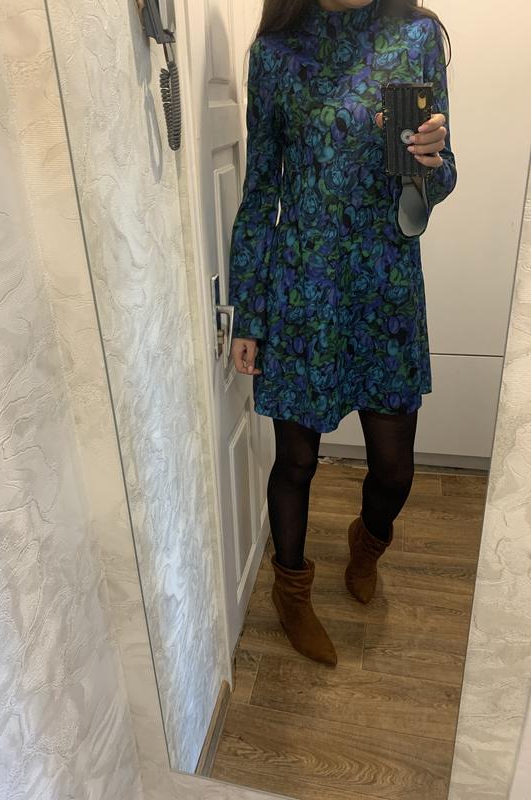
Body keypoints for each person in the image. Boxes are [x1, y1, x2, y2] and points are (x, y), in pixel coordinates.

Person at [227, 0, 457, 666]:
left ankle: (369, 540)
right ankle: (291, 590)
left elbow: (434, 183)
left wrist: (431, 161)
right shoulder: (276, 54)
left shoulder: (413, 37)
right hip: (302, 290)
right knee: (296, 460)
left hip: (384, 286)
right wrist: (249, 311)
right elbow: (259, 192)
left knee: (394, 467)